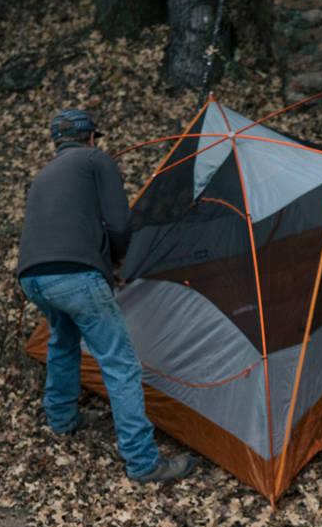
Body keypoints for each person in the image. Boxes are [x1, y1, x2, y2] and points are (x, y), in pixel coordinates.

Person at [17, 107, 194, 484]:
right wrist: (117, 262)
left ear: (57, 143)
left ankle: (62, 420)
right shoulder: (97, 160)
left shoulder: (44, 175)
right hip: (75, 276)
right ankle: (144, 463)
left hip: (33, 278)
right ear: (93, 138)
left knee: (62, 342)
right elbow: (119, 221)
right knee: (121, 365)